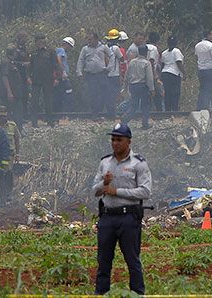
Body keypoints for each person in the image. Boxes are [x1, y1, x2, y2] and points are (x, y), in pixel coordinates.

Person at [93, 123, 151, 295]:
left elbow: (145, 191)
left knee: (132, 261)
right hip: (107, 218)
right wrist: (104, 183)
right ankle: (101, 293)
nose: (115, 143)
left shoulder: (138, 164)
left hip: (129, 218)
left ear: (128, 142)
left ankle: (138, 293)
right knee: (103, 261)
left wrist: (116, 191)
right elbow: (94, 191)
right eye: (113, 139)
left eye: (119, 140)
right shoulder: (105, 163)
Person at [28, 34, 60, 127]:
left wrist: (57, 78)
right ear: (36, 42)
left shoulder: (50, 52)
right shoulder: (33, 53)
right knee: (35, 101)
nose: (41, 43)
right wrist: (28, 77)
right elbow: (30, 66)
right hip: (36, 80)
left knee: (48, 101)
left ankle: (50, 121)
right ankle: (34, 122)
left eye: (43, 41)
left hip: (48, 80)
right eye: (39, 41)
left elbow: (56, 65)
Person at [124, 45, 156, 129]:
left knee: (133, 105)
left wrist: (125, 86)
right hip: (142, 86)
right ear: (146, 53)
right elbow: (149, 78)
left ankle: (125, 120)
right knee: (145, 105)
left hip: (133, 86)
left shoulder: (132, 62)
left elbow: (127, 75)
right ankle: (145, 124)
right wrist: (152, 89)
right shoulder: (147, 63)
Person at [79, 32, 110, 115]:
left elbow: (112, 55)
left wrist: (109, 68)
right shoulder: (85, 49)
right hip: (91, 75)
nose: (89, 41)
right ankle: (94, 113)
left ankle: (102, 111)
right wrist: (79, 72)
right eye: (88, 39)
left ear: (96, 39)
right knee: (93, 93)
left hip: (101, 73)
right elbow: (81, 60)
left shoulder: (103, 47)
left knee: (104, 92)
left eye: (91, 39)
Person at [193, 30, 212, 111]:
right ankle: (205, 107)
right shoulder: (211, 46)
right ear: (209, 35)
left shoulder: (197, 45)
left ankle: (199, 107)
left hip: (201, 70)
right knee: (209, 89)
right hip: (210, 70)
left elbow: (196, 57)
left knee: (202, 88)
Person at [159, 36, 184, 112]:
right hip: (174, 74)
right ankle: (175, 109)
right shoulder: (176, 51)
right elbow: (179, 62)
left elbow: (162, 64)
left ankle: (168, 110)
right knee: (175, 93)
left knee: (167, 93)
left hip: (165, 73)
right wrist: (184, 73)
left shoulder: (164, 53)